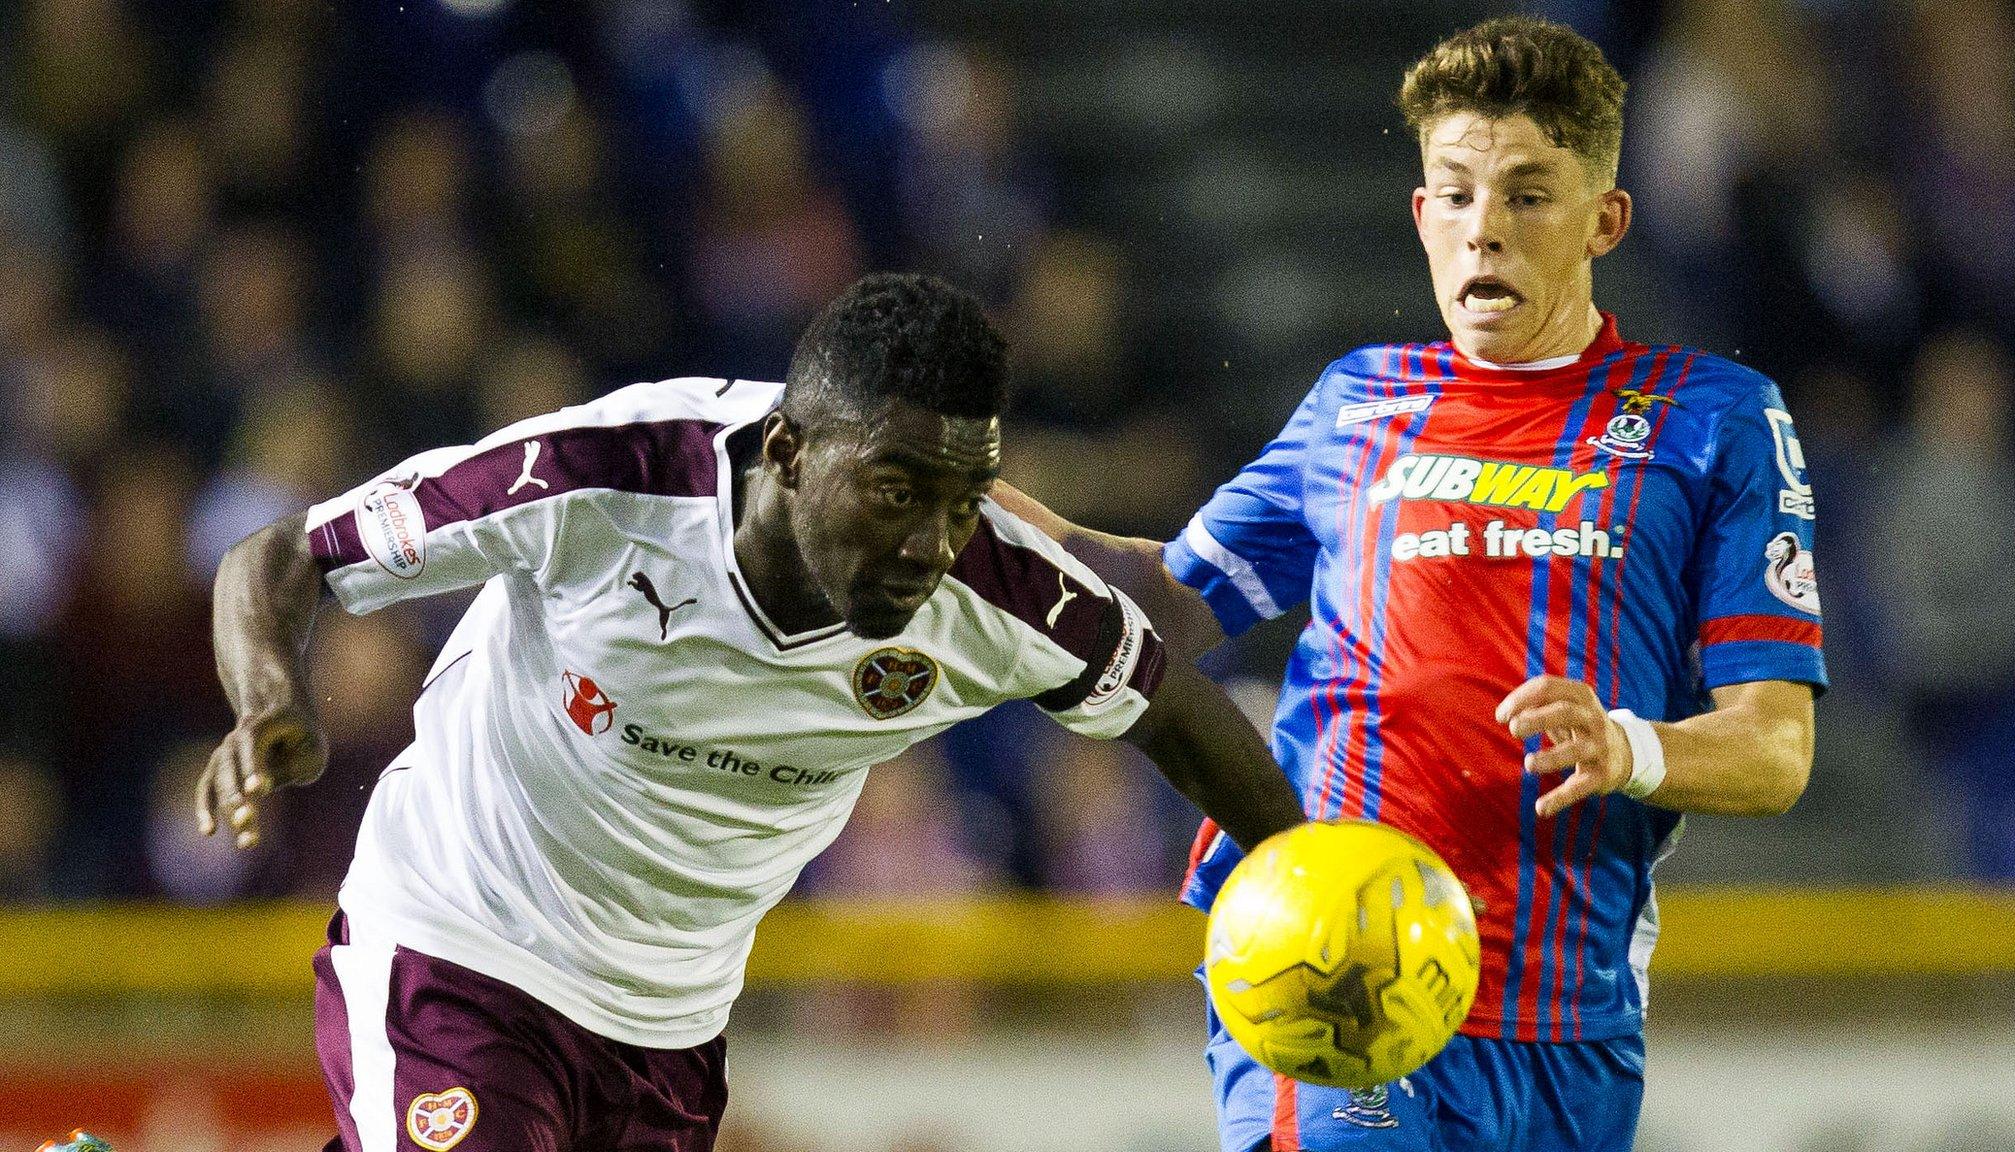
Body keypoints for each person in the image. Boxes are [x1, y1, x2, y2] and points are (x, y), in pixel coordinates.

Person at [197, 273, 1302, 1152]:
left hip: (668, 1030)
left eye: (965, 501)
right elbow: (287, 553)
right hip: (458, 943)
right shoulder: (606, 476)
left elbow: (1177, 714)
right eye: (894, 491)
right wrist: (267, 701)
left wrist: (1312, 882)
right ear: (786, 453)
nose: (928, 543)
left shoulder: (1001, 595)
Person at [996, 18, 1823, 1152]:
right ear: (1420, 215)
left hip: (1565, 1018)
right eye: (1455, 194)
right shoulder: (1357, 402)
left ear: (1605, 221)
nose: (1484, 228)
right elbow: (1167, 599)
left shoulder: (1713, 420)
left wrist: (1626, 747)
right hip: (1330, 966)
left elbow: (1774, 750)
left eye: (1528, 195)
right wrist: (979, 520)